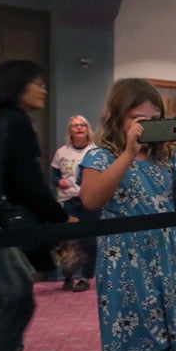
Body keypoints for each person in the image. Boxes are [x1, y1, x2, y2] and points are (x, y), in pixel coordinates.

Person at [79, 78, 176, 351]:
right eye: (138, 119)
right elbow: (92, 199)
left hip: (162, 263)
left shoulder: (166, 158)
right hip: (123, 270)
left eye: (154, 121)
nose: (145, 127)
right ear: (117, 117)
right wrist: (129, 153)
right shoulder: (100, 156)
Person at [0, 60, 66, 351]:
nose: (43, 90)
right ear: (20, 86)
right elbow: (25, 182)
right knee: (16, 300)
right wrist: (58, 215)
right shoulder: (16, 122)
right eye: (37, 83)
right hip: (0, 229)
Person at [50, 115, 97, 291]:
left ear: (87, 129)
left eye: (82, 125)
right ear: (69, 131)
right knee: (67, 242)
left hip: (88, 199)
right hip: (67, 200)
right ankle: (68, 277)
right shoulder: (61, 152)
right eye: (74, 126)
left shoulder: (94, 151)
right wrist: (58, 182)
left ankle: (85, 277)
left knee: (88, 240)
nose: (78, 128)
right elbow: (54, 176)